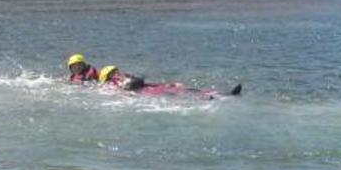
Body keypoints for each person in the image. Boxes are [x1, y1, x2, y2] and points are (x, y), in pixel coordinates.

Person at [98, 65, 240, 99]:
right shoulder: (111, 85)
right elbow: (125, 92)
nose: (115, 74)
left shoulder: (125, 77)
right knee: (179, 95)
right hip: (147, 94)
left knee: (183, 89)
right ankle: (207, 98)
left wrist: (169, 83)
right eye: (112, 73)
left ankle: (223, 94)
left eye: (115, 71)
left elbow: (147, 83)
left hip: (151, 89)